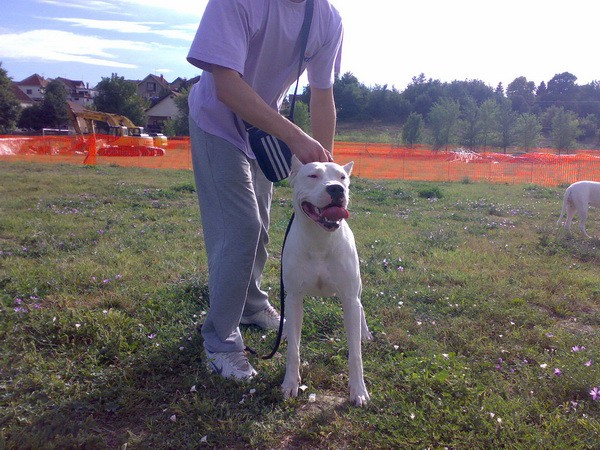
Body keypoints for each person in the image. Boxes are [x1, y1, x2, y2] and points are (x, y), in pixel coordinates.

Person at [186, 0, 343, 380]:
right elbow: (225, 85)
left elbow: (322, 96)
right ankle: (220, 340)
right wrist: (293, 135)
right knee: (240, 227)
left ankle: (253, 305)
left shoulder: (326, 18)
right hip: (216, 121)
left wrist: (322, 181)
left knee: (261, 226)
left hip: (262, 130)